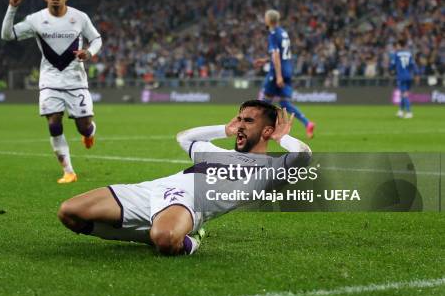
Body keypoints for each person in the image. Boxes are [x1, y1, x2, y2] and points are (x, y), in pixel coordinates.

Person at [57, 100, 312, 256]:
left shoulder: (270, 169)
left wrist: (282, 138)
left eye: (249, 121)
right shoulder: (214, 151)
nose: (241, 125)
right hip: (153, 189)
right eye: (240, 118)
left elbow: (303, 156)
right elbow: (184, 138)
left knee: (166, 241)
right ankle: (155, 232)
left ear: (267, 130)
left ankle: (189, 239)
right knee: (69, 213)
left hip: (189, 204)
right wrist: (224, 129)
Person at [1, 0, 103, 184]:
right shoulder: (36, 19)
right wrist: (12, 7)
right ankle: (69, 171)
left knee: (83, 126)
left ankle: (89, 132)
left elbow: (97, 39)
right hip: (50, 82)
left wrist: (89, 53)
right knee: (54, 123)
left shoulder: (79, 17)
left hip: (76, 82)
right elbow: (7, 35)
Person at [255, 10, 315, 138]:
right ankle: (307, 123)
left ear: (269, 20)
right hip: (288, 69)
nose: (264, 19)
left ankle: (259, 129)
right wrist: (266, 60)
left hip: (277, 72)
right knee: (284, 103)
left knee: (263, 100)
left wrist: (278, 75)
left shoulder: (272, 33)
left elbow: (276, 55)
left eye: (265, 17)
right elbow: (282, 54)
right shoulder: (283, 32)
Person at [390, 40, 416, 119]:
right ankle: (401, 111)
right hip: (409, 76)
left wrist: (392, 70)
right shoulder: (409, 54)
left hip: (401, 77)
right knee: (404, 94)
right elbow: (413, 65)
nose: (396, 47)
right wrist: (416, 73)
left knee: (404, 95)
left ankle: (409, 112)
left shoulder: (396, 54)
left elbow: (392, 65)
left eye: (397, 45)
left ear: (400, 45)